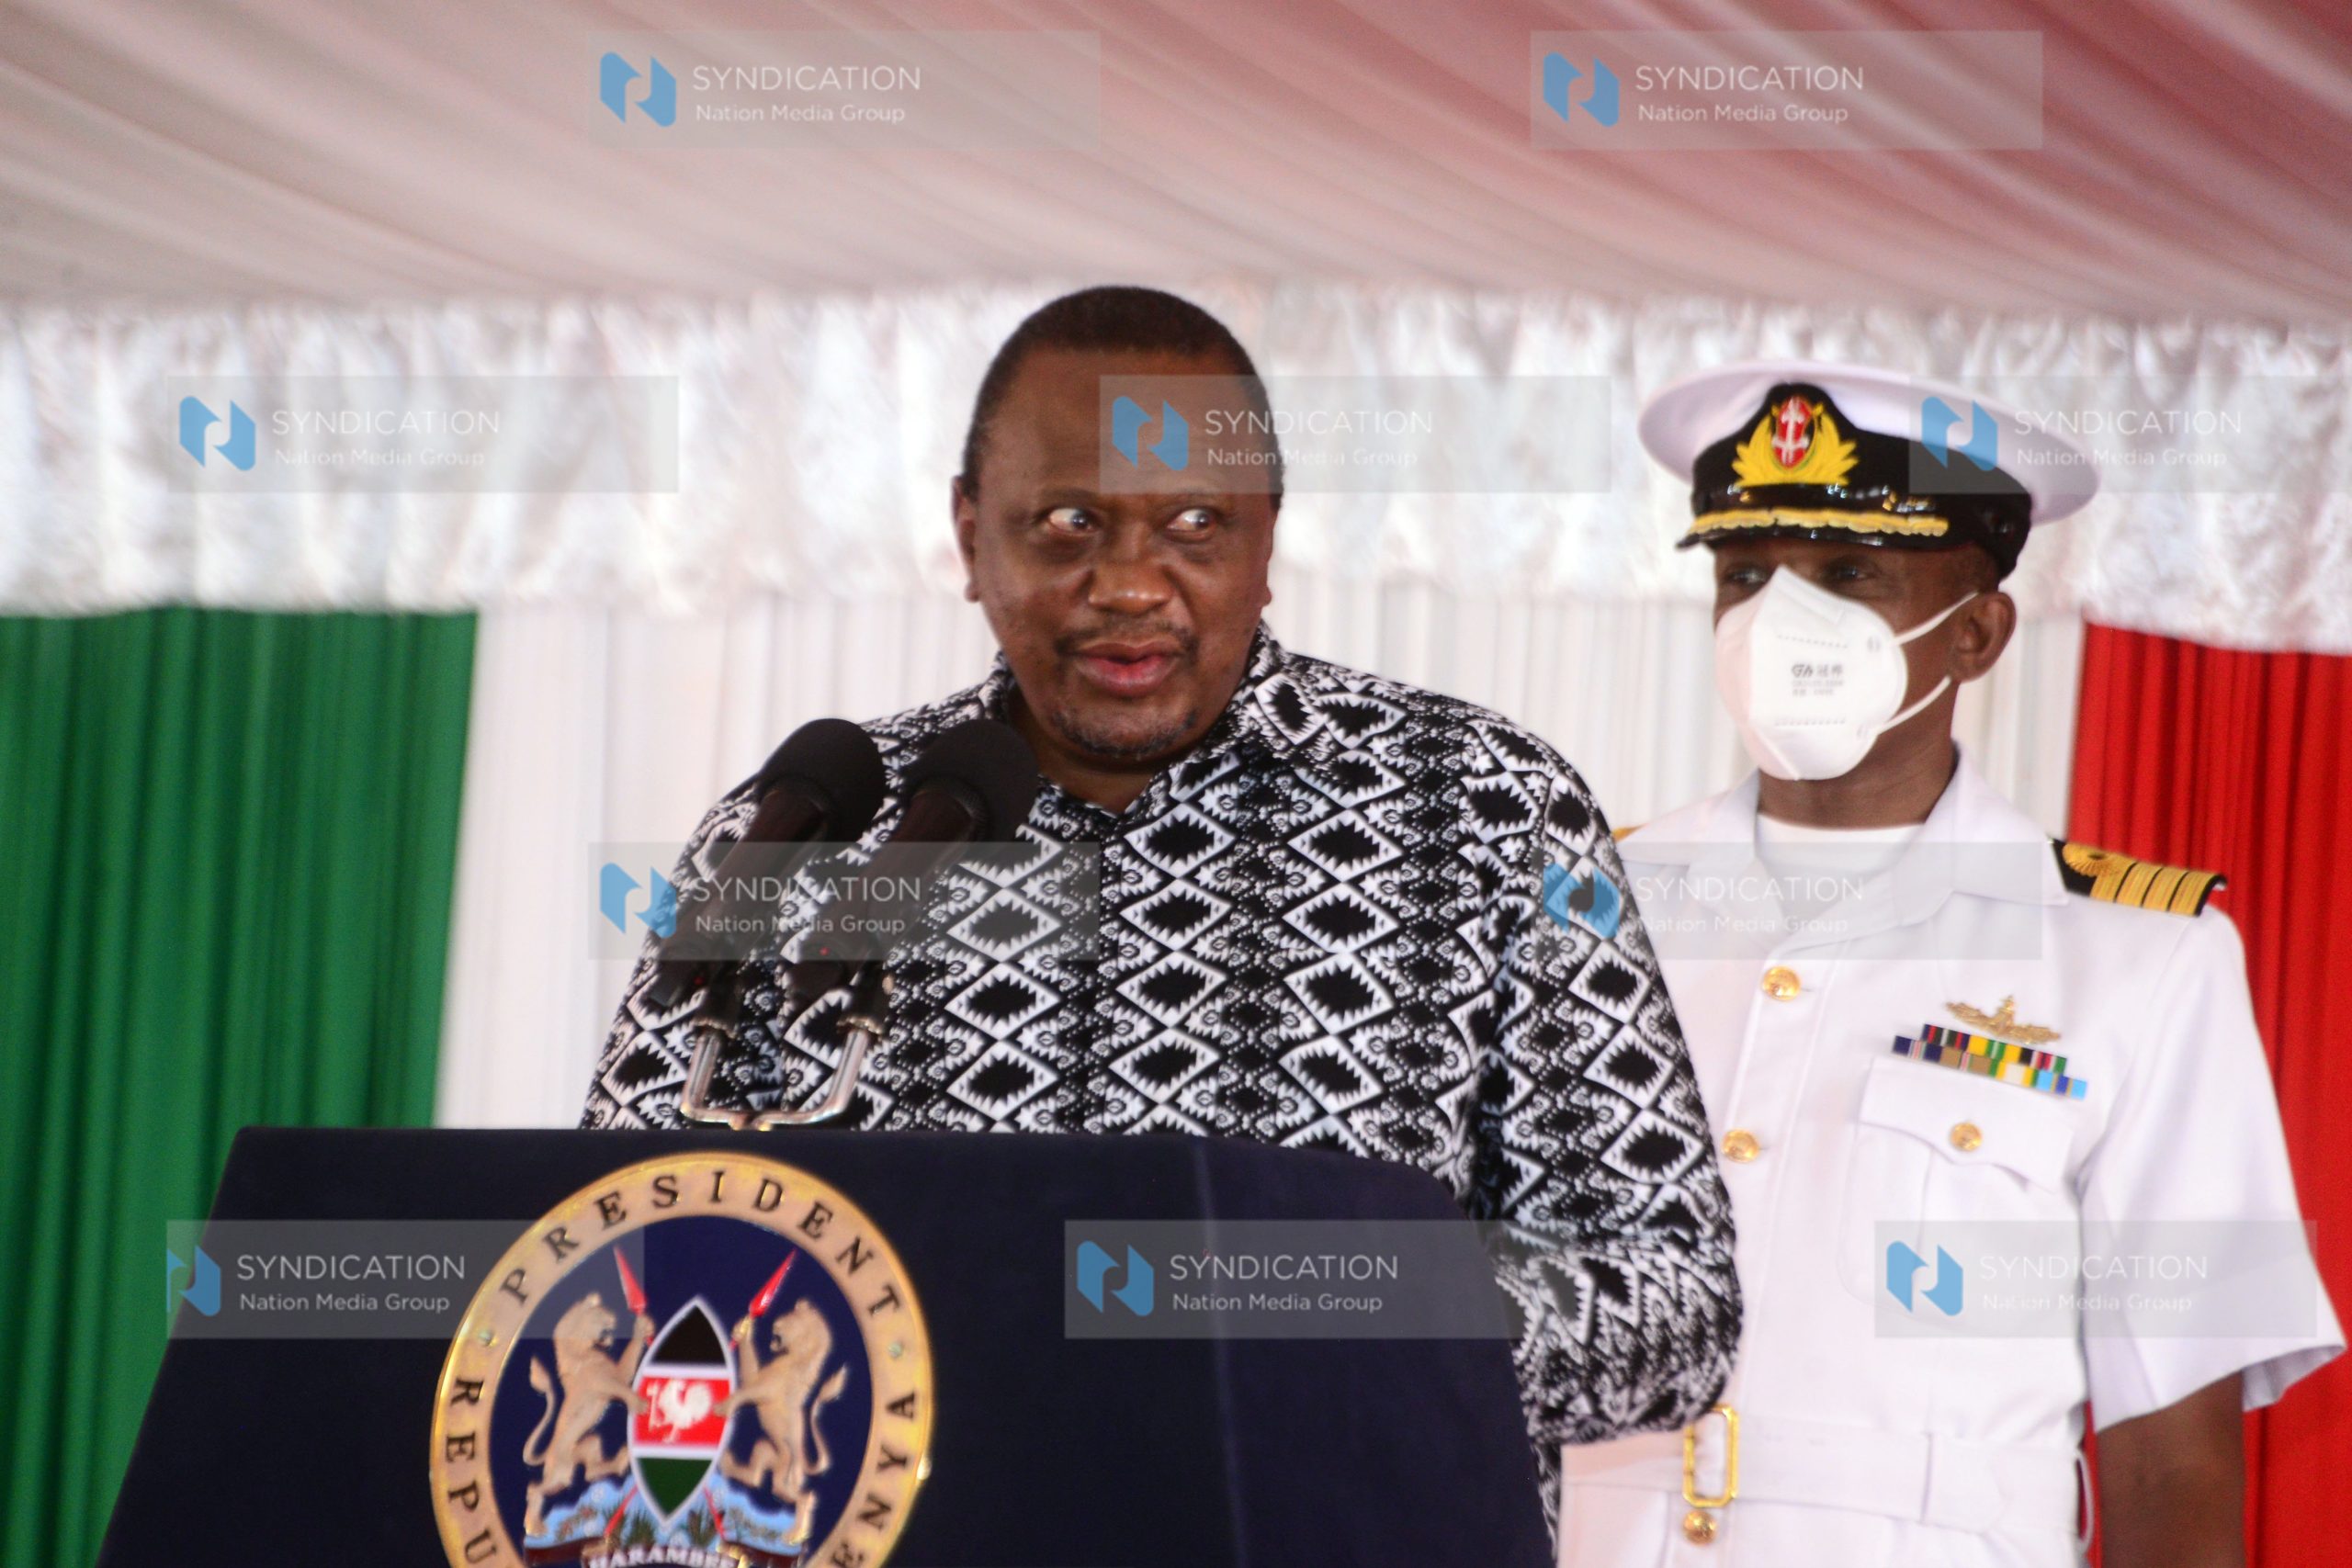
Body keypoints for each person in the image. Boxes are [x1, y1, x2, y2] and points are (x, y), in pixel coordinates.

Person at [581, 285, 1741, 1526]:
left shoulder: (1486, 811)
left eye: (1195, 523)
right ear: (970, 536)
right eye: (1069, 522)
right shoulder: (806, 834)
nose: (1130, 584)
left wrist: (1309, 1312)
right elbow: (617, 1258)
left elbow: (1677, 1302)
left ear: (1268, 538)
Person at [1559, 363, 2344, 1567]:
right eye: (1746, 575)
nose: (1778, 620)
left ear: (1976, 633)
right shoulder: (1576, 909)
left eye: (1848, 574)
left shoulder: (2141, 957)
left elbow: (2172, 1463)